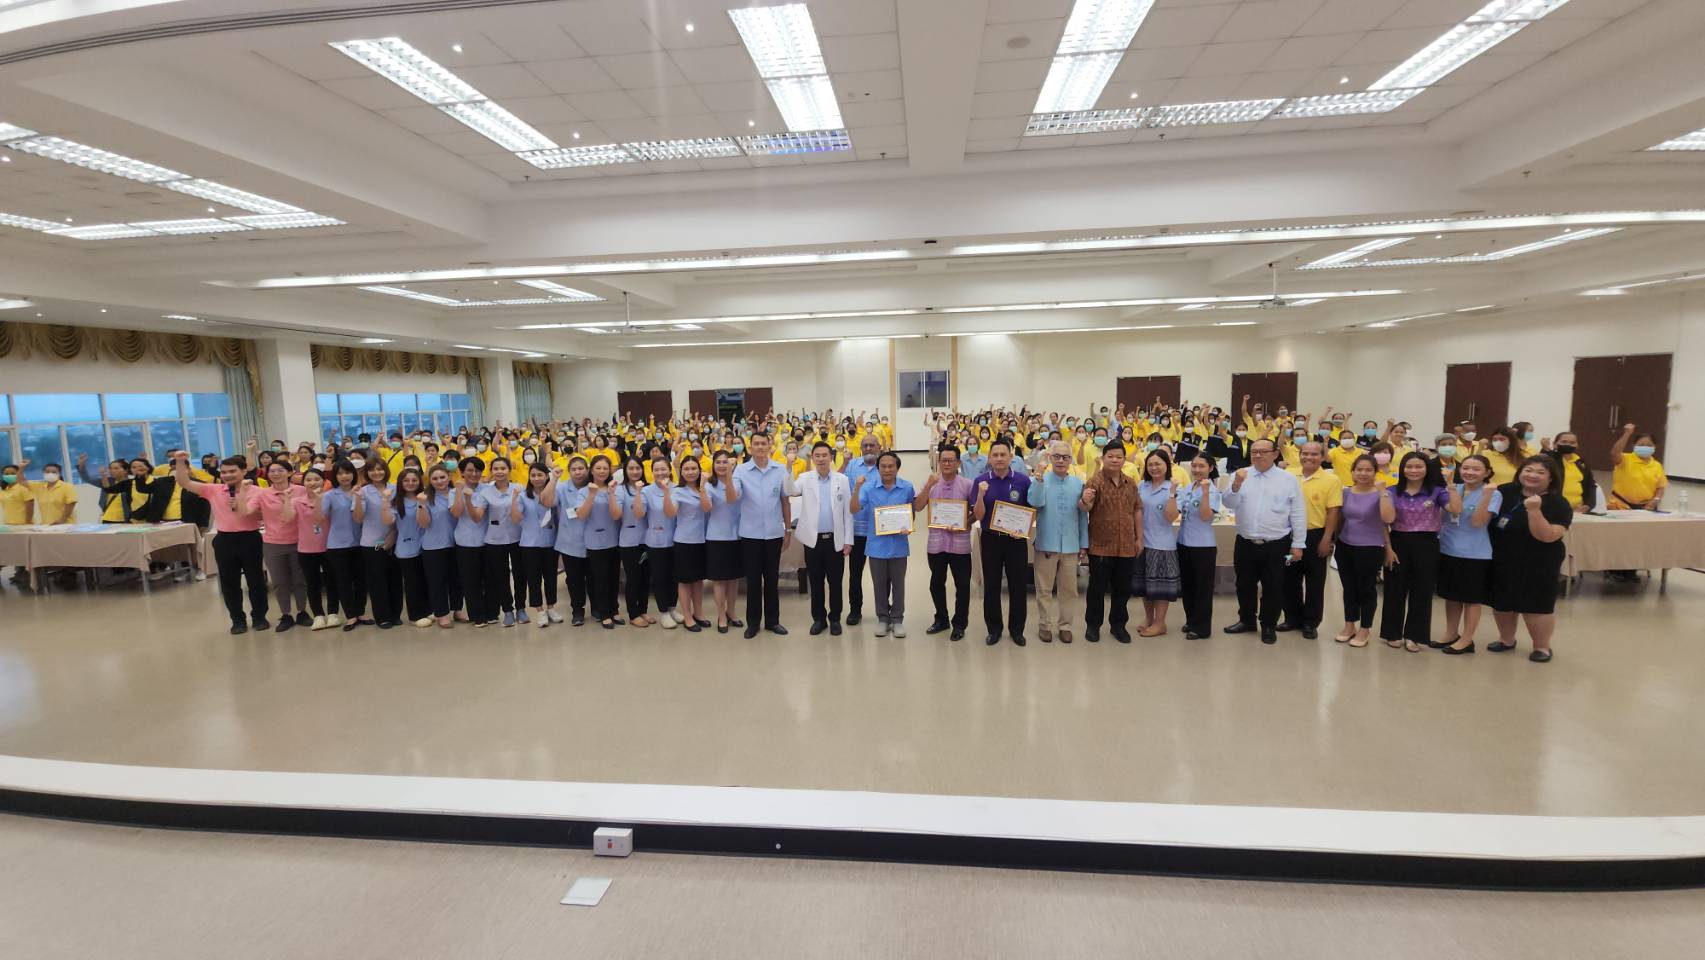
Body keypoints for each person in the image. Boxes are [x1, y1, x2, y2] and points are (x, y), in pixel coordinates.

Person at [172, 453, 269, 635]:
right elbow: (184, 482)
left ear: (244, 471)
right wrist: (179, 461)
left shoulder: (258, 491)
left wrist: (243, 504)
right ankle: (237, 620)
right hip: (225, 540)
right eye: (224, 472)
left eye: (232, 471)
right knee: (229, 582)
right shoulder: (214, 489)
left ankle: (259, 617)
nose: (227, 475)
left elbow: (264, 515)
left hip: (250, 538)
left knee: (256, 580)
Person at [1489, 456, 1573, 662]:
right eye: (1528, 470)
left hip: (1539, 561)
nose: (1532, 475)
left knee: (1536, 605)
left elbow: (1548, 536)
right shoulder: (1505, 491)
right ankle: (1506, 639)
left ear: (1551, 478)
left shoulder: (1558, 503)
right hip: (1503, 556)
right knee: (1502, 601)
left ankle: (1542, 647)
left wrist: (1534, 511)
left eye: (1540, 472)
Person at [1222, 439, 1306, 644]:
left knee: (1274, 585)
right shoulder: (1240, 475)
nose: (1257, 455)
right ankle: (1246, 620)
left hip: (1277, 543)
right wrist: (1236, 485)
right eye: (1254, 452)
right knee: (1244, 584)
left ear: (1275, 454)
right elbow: (1228, 503)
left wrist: (1298, 544)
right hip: (1245, 541)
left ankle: (1268, 624)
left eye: (1263, 451)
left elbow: (1298, 512)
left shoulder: (1288, 479)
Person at [1380, 452, 1452, 652]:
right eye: (1409, 466)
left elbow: (1455, 509)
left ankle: (1415, 635)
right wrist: (1388, 547)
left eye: (1419, 466)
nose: (1413, 470)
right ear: (1402, 469)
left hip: (1427, 543)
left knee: (1422, 590)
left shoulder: (1437, 491)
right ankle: (1392, 633)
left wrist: (1451, 485)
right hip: (1398, 541)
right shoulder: (1392, 491)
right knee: (1394, 588)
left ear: (1427, 469)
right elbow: (1385, 520)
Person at [732, 432, 796, 639]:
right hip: (750, 535)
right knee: (752, 581)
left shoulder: (780, 469)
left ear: (770, 446)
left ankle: (772, 621)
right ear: (750, 447)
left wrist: (788, 530)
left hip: (773, 534)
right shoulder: (740, 470)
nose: (760, 446)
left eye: (763, 443)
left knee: (771, 579)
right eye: (756, 443)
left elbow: (785, 501)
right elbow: (734, 496)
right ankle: (753, 623)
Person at [1078, 440, 1141, 643]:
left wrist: (1139, 538)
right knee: (1096, 589)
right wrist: (1085, 500)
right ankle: (1093, 626)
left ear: (1124, 459)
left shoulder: (1130, 483)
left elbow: (1137, 510)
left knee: (1123, 589)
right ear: (1103, 458)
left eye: (1119, 457)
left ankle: (1118, 625)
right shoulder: (1094, 482)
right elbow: (1085, 508)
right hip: (1100, 546)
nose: (1115, 460)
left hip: (1126, 546)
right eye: (1110, 456)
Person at [972, 438, 1032, 646]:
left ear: (1011, 457)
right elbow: (979, 515)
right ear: (989, 458)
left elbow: (1031, 511)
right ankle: (994, 629)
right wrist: (981, 495)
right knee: (992, 585)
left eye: (1003, 455)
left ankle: (1017, 630)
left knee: (1018, 585)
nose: (999, 458)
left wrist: (1022, 529)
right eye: (995, 455)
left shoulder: (1023, 481)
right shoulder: (980, 481)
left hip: (1016, 541)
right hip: (991, 539)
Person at [1437, 454, 1499, 655]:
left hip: (1474, 553)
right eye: (1465, 468)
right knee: (1452, 596)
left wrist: (1486, 496)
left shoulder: (1492, 493)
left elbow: (1478, 522)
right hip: (1447, 548)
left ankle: (1467, 639)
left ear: (1487, 473)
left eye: (1476, 469)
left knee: (1471, 598)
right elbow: (1442, 517)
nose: (1469, 472)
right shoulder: (1454, 487)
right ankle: (1451, 633)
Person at [1026, 441, 1087, 644]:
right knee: (1044, 589)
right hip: (1046, 543)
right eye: (1057, 457)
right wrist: (1038, 475)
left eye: (1065, 457)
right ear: (1050, 458)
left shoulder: (1078, 484)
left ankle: (1065, 626)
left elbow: (1082, 516)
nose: (1061, 460)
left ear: (1070, 460)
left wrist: (1084, 543)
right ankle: (1044, 625)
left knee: (1069, 590)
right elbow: (1034, 502)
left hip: (1071, 545)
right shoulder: (1040, 480)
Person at [1281, 441, 1343, 640]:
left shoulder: (1331, 480)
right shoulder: (1288, 474)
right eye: (1304, 453)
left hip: (1316, 536)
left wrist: (1327, 538)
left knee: (1315, 581)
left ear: (1323, 457)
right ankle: (1292, 618)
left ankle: (1310, 622)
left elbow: (1333, 511)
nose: (1308, 457)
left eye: (1314, 454)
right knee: (1289, 578)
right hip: (1289, 537)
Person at [850, 451, 915, 637]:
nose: (887, 470)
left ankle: (897, 619)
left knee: (898, 584)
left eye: (890, 466)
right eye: (883, 466)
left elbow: (911, 511)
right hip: (876, 545)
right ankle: (883, 618)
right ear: (878, 468)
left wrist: (908, 526)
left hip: (899, 545)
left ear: (897, 468)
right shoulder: (868, 488)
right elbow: (854, 509)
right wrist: (856, 488)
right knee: (879, 585)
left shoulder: (907, 487)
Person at [1333, 455, 1393, 648]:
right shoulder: (1346, 492)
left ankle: (1365, 628)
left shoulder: (1382, 493)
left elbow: (1388, 520)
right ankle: (1349, 625)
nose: (1363, 473)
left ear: (1375, 472)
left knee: (1366, 589)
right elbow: (1340, 520)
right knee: (1349, 588)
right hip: (1345, 546)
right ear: (1353, 472)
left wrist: (1382, 493)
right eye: (1359, 469)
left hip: (1371, 548)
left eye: (1368, 470)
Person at [795, 442, 853, 636]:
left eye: (824, 455)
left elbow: (848, 513)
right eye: (817, 455)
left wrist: (848, 540)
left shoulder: (842, 480)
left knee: (835, 583)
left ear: (831, 457)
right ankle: (819, 619)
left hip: (835, 540)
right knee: (816, 582)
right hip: (813, 541)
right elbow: (790, 489)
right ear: (812, 458)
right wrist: (788, 467)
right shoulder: (805, 478)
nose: (821, 459)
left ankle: (835, 618)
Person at [918, 444, 975, 641]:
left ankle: (959, 624)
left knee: (963, 586)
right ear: (938, 461)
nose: (947, 464)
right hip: (936, 543)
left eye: (951, 460)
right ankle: (941, 619)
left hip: (960, 544)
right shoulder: (931, 482)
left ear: (958, 463)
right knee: (936, 583)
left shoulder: (967, 484)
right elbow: (918, 506)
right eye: (943, 460)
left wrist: (965, 522)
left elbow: (976, 512)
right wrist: (928, 486)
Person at [253, 459, 310, 632]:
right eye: (272, 471)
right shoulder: (263, 494)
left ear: (290, 472)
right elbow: (252, 512)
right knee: (279, 581)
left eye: (280, 470)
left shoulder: (301, 490)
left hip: (299, 541)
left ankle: (302, 611)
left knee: (300, 580)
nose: (276, 474)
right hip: (273, 543)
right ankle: (286, 614)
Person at [1133, 449, 1182, 637]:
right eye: (1150, 464)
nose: (1154, 468)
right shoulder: (1142, 486)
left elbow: (1171, 517)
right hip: (1142, 542)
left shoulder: (1173, 487)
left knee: (1161, 587)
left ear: (1166, 465)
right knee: (1145, 585)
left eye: (1158, 464)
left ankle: (1160, 623)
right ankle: (1149, 619)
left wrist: (1172, 494)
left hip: (1162, 545)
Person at [665, 455, 713, 633]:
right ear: (681, 472)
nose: (691, 472)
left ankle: (698, 613)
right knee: (685, 581)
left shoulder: (704, 488)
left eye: (694, 468)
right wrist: (666, 493)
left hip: (701, 540)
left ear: (700, 470)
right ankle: (687, 616)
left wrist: (702, 487)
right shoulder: (677, 491)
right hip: (684, 541)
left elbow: (707, 508)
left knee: (698, 580)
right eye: (687, 469)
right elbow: (671, 512)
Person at [1176, 454, 1221, 640]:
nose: (1196, 469)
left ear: (1210, 468)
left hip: (1203, 546)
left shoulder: (1213, 491)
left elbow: (1205, 516)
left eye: (1201, 466)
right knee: (1188, 586)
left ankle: (1202, 627)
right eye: (1194, 465)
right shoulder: (1188, 487)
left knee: (1203, 588)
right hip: (1184, 542)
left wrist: (1205, 493)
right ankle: (1191, 620)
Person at [354, 459, 401, 629]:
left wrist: (393, 535)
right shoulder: (363, 491)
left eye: (380, 469)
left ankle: (395, 614)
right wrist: (358, 499)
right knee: (377, 581)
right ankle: (382, 616)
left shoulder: (395, 488)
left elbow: (400, 515)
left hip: (395, 540)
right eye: (372, 470)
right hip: (373, 543)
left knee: (395, 579)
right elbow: (358, 518)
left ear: (386, 470)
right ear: (367, 473)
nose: (376, 473)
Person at [841, 434, 882, 626]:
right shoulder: (852, 466)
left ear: (879, 447)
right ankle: (855, 610)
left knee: (882, 575)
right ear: (860, 448)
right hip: (857, 529)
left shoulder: (885, 465)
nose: (868, 448)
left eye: (872, 445)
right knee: (855, 574)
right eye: (865, 445)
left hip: (879, 530)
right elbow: (843, 492)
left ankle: (884, 611)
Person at [293, 467, 340, 630]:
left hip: (330, 546)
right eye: (308, 480)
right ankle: (318, 615)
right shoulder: (297, 501)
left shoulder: (331, 498)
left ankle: (333, 613)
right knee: (312, 583)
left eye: (316, 479)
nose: (312, 483)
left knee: (332, 581)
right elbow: (287, 518)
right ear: (303, 483)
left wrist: (320, 500)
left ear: (324, 481)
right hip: (306, 548)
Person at [479, 457, 524, 627]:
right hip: (495, 539)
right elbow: (480, 515)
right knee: (501, 576)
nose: (499, 472)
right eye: (496, 468)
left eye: (503, 468)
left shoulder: (519, 488)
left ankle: (521, 608)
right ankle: (507, 610)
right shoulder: (486, 492)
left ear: (509, 470)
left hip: (518, 537)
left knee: (520, 575)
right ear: (491, 471)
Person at [580, 456, 623, 629]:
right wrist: (591, 495)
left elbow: (616, 515)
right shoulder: (584, 491)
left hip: (613, 539)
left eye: (605, 468)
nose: (602, 471)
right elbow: (581, 515)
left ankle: (614, 610)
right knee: (600, 578)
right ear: (591, 470)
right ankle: (604, 613)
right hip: (595, 541)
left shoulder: (615, 488)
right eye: (598, 468)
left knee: (614, 578)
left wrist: (611, 493)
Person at [515, 462, 560, 629]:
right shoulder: (522, 496)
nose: (536, 478)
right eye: (533, 475)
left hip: (550, 542)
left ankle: (551, 607)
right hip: (529, 543)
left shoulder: (554, 493)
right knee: (533, 579)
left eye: (540, 475)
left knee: (551, 577)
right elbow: (516, 518)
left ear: (547, 476)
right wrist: (512, 499)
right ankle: (540, 611)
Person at [450, 456, 493, 627]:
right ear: (462, 472)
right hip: (465, 542)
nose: (474, 474)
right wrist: (460, 492)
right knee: (470, 581)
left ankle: (491, 612)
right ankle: (477, 615)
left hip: (488, 540)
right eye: (469, 470)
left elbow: (480, 516)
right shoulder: (454, 492)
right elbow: (456, 513)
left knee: (488, 579)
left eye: (477, 470)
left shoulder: (488, 489)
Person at [704, 450, 744, 633]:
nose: (721, 465)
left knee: (734, 578)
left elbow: (732, 498)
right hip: (716, 536)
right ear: (713, 465)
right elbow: (708, 508)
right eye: (718, 462)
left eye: (725, 462)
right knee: (719, 580)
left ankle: (731, 612)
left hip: (736, 535)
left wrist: (729, 476)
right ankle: (721, 615)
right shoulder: (708, 485)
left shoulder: (736, 481)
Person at [416, 464, 458, 628]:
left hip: (456, 544)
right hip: (434, 546)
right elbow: (423, 524)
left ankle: (457, 609)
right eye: (435, 478)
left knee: (456, 579)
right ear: (430, 481)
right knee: (437, 582)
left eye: (442, 477)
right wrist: (421, 505)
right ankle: (441, 614)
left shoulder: (456, 494)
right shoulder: (425, 497)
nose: (439, 481)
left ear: (449, 477)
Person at [640, 460, 681, 629]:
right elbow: (640, 514)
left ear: (670, 470)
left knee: (674, 576)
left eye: (663, 469)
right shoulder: (646, 491)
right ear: (652, 472)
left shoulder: (677, 488)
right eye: (656, 470)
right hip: (656, 541)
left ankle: (672, 608)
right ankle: (663, 612)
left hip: (677, 539)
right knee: (660, 577)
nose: (660, 473)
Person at [552, 457, 592, 626]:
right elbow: (548, 501)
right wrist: (553, 479)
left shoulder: (594, 486)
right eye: (574, 469)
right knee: (574, 579)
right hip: (570, 540)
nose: (578, 472)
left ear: (587, 470)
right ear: (569, 471)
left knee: (594, 577)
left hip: (593, 540)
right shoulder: (561, 488)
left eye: (581, 468)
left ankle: (597, 608)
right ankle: (577, 611)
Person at [614, 457, 653, 627]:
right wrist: (637, 493)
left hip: (647, 539)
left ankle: (643, 609)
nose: (635, 471)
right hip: (629, 541)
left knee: (645, 577)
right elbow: (619, 514)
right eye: (631, 468)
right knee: (633, 578)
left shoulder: (648, 488)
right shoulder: (620, 490)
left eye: (638, 468)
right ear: (625, 470)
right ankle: (633, 613)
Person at [1608, 423, 1666, 511]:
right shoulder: (1625, 459)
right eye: (1641, 445)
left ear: (1654, 447)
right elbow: (1614, 453)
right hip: (1620, 506)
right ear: (1634, 446)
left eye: (1649, 445)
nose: (1645, 447)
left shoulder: (1657, 465)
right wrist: (1626, 434)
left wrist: (1655, 500)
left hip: (1645, 508)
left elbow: (1660, 487)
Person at [1548, 431, 1597, 513]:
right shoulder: (1549, 460)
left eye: (1572, 443)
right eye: (1564, 442)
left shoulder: (1581, 462)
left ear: (1577, 445)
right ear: (1555, 444)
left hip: (1578, 510)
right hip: (1554, 509)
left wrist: (1588, 504)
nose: (1568, 445)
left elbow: (1590, 485)